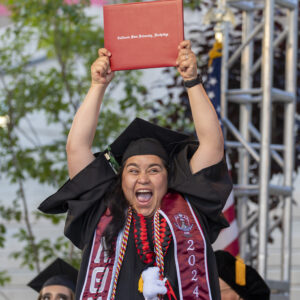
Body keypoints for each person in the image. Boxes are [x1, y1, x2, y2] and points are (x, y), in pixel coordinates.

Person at [39, 40, 232, 300]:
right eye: (133, 170)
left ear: (168, 176)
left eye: (153, 170)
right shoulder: (100, 211)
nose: (143, 178)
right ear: (121, 179)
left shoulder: (189, 206)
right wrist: (97, 86)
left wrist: (192, 81)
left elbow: (211, 145)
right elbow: (76, 148)